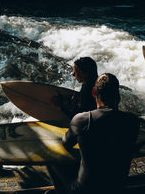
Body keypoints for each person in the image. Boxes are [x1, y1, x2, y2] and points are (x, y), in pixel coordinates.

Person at [48, 73, 140, 194]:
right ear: (118, 95)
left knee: (51, 160)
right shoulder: (132, 121)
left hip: (84, 190)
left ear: (93, 93)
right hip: (118, 188)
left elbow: (65, 143)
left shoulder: (82, 120)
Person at [47, 57, 98, 193]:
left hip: (84, 185)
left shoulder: (87, 91)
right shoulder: (94, 86)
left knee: (51, 158)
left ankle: (62, 191)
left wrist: (60, 108)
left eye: (76, 72)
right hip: (111, 178)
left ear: (84, 73)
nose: (73, 75)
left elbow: (79, 120)